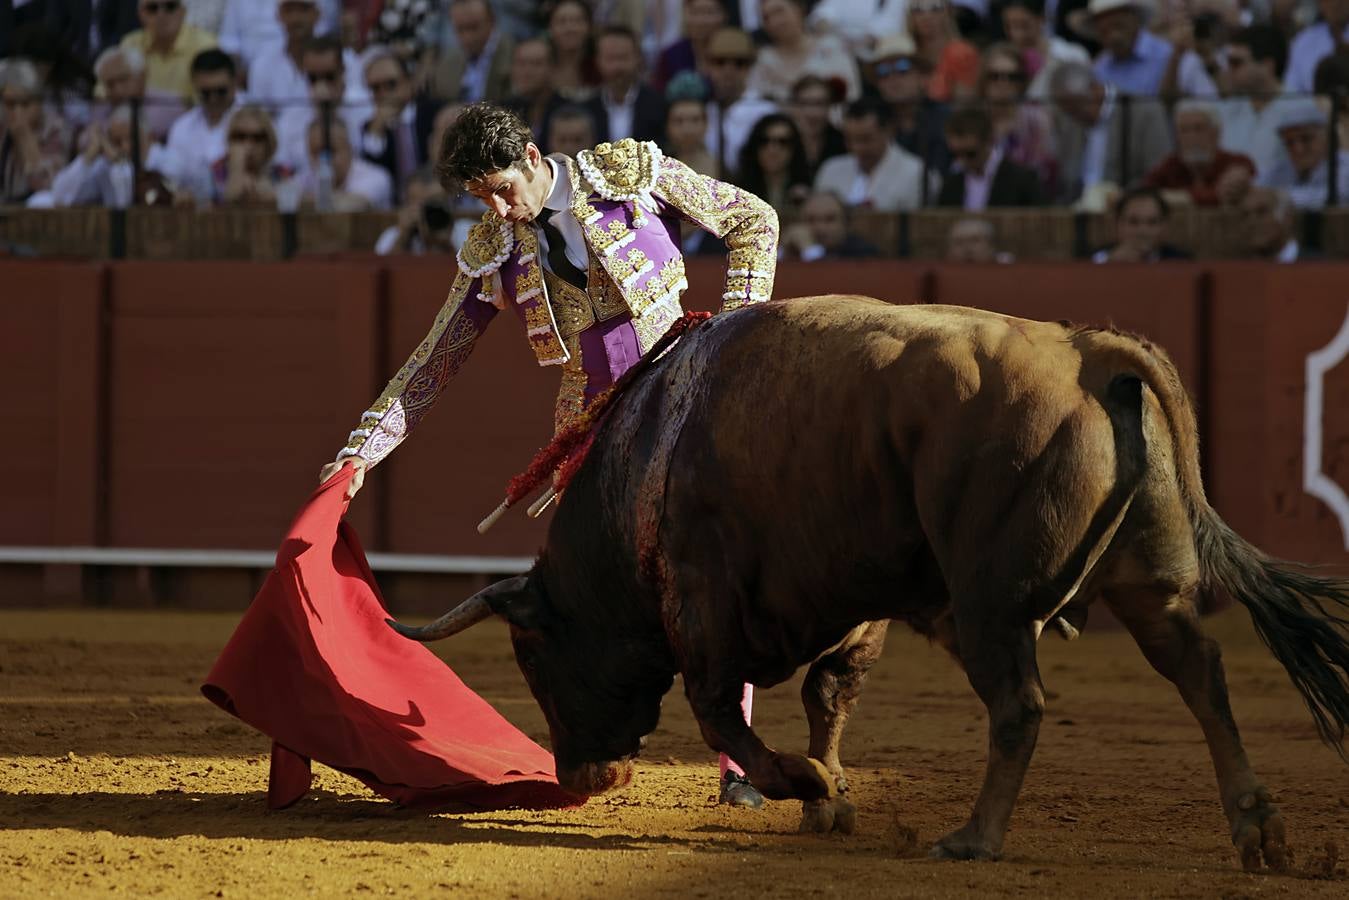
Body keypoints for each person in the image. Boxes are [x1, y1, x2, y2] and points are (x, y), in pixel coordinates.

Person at [317, 102, 779, 809]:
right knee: (601, 597)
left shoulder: (629, 174)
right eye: (481, 198)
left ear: (533, 159)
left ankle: (736, 762)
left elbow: (754, 220)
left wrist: (736, 336)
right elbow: (432, 364)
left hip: (682, 392)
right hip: (589, 428)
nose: (500, 210)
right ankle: (605, 744)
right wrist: (359, 457)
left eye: (503, 188)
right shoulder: (492, 250)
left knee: (706, 574)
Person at [1049, 61, 1172, 207]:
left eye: (1076, 108)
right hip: (1078, 212)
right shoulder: (1070, 121)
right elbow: (1066, 179)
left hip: (1129, 210)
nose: (1073, 117)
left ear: (1095, 90)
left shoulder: (1145, 112)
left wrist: (1122, 197)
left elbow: (1159, 173)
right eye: (1067, 111)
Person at [815, 97, 931, 212]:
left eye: (865, 139)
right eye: (849, 139)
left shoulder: (916, 173)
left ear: (889, 131)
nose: (856, 148)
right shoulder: (830, 170)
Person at [273, 36, 369, 169]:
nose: (321, 86)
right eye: (313, 79)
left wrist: (329, 114)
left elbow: (367, 157)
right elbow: (282, 166)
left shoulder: (364, 107)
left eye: (329, 77)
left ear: (343, 71)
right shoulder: (290, 117)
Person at [159, 49, 242, 203]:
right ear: (194, 87)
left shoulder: (251, 120)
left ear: (234, 83)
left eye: (221, 91)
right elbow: (171, 177)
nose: (213, 99)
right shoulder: (182, 127)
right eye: (205, 93)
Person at [1087, 0, 1216, 98]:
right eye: (1104, 31)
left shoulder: (1179, 58)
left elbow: (1209, 103)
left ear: (1135, 20)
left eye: (1118, 26)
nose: (1114, 36)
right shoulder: (1099, 69)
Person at [979, 42, 1058, 196]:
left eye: (1012, 77)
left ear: (1022, 83)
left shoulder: (1037, 120)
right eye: (994, 76)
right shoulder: (973, 119)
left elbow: (1043, 171)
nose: (1003, 83)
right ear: (983, 80)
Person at [868, 33, 950, 181]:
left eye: (903, 68)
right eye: (883, 72)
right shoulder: (872, 123)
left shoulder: (946, 119)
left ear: (922, 77)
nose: (893, 79)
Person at [1142, 101, 1253, 208]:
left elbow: (1224, 194)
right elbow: (1144, 195)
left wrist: (1174, 197)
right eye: (1184, 130)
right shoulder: (1171, 165)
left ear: (1216, 133)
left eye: (1198, 128)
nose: (1191, 137)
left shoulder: (1236, 162)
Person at [360, 48, 436, 203]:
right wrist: (376, 130)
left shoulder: (431, 114)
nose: (383, 93)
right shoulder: (370, 128)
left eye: (391, 84)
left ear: (408, 82)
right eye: (375, 88)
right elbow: (373, 177)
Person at [748, 0, 861, 104]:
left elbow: (852, 95)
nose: (775, 21)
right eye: (766, 18)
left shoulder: (833, 48)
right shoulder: (763, 61)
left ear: (799, 10)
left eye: (779, 11)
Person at [1218, 25, 1292, 182]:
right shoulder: (1227, 110)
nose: (1228, 70)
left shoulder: (1299, 110)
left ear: (1267, 66)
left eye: (1236, 63)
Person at [702, 26, 778, 178]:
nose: (728, 70)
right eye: (720, 62)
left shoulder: (766, 111)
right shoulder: (701, 111)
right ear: (707, 66)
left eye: (739, 63)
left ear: (750, 66)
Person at [938, 104, 1045, 209]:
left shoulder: (1023, 180)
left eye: (970, 153)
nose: (962, 160)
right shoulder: (951, 184)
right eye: (955, 154)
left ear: (989, 141)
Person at [0, 58, 72, 205]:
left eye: (25, 104)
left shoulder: (56, 129)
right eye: (10, 104)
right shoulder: (2, 125)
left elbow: (49, 187)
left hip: (41, 213)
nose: (17, 112)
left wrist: (25, 140)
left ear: (39, 102)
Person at [1258, 97, 1349, 210]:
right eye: (1289, 142)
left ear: (1327, 138)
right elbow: (1257, 189)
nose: (1298, 149)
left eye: (1306, 139)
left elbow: (1338, 196)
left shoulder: (1345, 165)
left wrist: (1280, 198)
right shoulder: (1281, 169)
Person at [119, 0, 217, 104]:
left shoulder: (205, 45)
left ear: (183, 11)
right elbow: (105, 97)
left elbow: (209, 100)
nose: (161, 15)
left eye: (171, 6)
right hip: (138, 118)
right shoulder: (131, 44)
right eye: (152, 8)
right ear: (140, 14)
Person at [582, 25, 666, 145]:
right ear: (598, 61)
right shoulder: (587, 109)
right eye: (610, 59)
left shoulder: (659, 105)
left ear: (638, 58)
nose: (617, 66)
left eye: (623, 58)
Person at [998, 0, 1090, 99]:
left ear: (1042, 19)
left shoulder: (1071, 54)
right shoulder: (1003, 64)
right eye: (1009, 26)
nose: (1016, 34)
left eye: (1024, 25)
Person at [429, 0, 515, 104]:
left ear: (492, 21)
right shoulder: (447, 62)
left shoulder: (515, 56)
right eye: (460, 29)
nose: (468, 37)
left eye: (473, 27)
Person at [210, 103, 295, 206]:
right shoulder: (215, 172)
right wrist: (237, 173)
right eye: (240, 137)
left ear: (269, 141)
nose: (248, 145)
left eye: (257, 137)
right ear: (230, 140)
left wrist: (268, 195)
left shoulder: (283, 174)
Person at [301, 118, 391, 210]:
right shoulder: (307, 177)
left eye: (331, 151)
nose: (323, 160)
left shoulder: (376, 176)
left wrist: (305, 200)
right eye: (316, 153)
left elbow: (352, 205)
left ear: (350, 148)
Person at [735, 113, 812, 218]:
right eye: (764, 141)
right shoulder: (737, 193)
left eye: (783, 142)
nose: (772, 149)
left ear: (794, 148)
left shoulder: (807, 191)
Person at [1091, 186, 1191, 262]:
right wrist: (1111, 264)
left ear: (1164, 226)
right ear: (1118, 224)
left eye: (1152, 222)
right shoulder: (1098, 258)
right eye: (1133, 222)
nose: (1142, 231)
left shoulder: (1182, 262)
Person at [907, 0, 980, 102]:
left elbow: (964, 105)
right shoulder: (907, 52)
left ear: (947, 14)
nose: (926, 16)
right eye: (918, 10)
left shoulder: (962, 53)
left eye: (935, 8)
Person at [374, 169, 456, 254]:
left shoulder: (464, 231)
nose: (425, 211)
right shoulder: (392, 234)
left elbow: (466, 265)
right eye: (418, 203)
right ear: (406, 204)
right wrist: (403, 238)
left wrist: (445, 243)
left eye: (432, 203)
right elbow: (384, 265)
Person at [781, 189, 881, 259]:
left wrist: (810, 250)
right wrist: (782, 252)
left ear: (845, 223)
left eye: (830, 219)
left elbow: (830, 281)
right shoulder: (794, 248)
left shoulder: (863, 253)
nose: (820, 228)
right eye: (811, 220)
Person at [652, 0, 726, 93]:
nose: (701, 21)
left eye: (709, 12)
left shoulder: (732, 53)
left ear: (724, 15)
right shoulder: (671, 55)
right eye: (695, 12)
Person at [502, 37, 566, 144]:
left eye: (536, 64)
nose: (527, 72)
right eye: (521, 63)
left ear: (553, 68)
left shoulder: (567, 110)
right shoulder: (505, 111)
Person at [787, 74, 846, 180]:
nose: (812, 113)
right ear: (793, 107)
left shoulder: (844, 143)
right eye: (805, 103)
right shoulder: (780, 141)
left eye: (820, 104)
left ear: (829, 106)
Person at [1284, 0, 1349, 94]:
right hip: (1310, 107)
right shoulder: (1303, 41)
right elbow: (1292, 89)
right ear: (1320, 4)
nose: (1336, 3)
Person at [1239, 186, 1314, 262]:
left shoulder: (1317, 264)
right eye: (1245, 215)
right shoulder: (1237, 265)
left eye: (1262, 212)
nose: (1251, 222)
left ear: (1286, 218)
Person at [543, 0, 597, 101]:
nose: (570, 28)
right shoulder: (540, 69)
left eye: (578, 21)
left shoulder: (601, 68)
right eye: (562, 21)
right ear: (550, 28)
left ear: (590, 28)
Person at [663, 84, 717, 177]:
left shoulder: (719, 167)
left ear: (706, 124)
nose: (687, 130)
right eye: (679, 121)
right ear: (667, 125)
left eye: (695, 120)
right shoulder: (657, 167)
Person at [945, 216, 1013, 262]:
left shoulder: (1009, 268)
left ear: (991, 245)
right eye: (959, 242)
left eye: (974, 240)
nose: (967, 248)